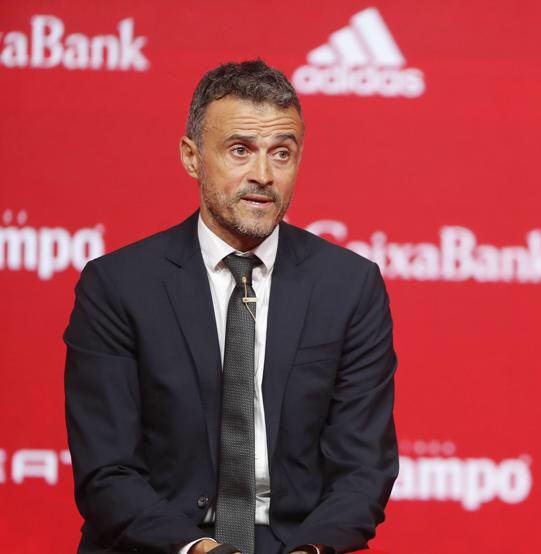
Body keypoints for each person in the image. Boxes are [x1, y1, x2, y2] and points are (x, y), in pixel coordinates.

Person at [64, 59, 398, 554]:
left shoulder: (350, 286)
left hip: (296, 545)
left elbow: (362, 470)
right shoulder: (118, 286)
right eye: (240, 150)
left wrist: (310, 551)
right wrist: (201, 549)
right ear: (192, 157)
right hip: (161, 543)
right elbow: (106, 471)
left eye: (281, 153)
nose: (263, 175)